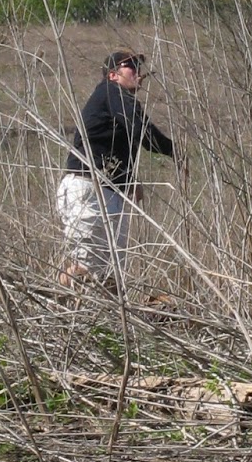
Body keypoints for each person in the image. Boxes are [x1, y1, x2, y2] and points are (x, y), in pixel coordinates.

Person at [56, 50, 175, 287]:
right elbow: (140, 129)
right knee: (84, 270)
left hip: (105, 192)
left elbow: (112, 145)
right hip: (89, 190)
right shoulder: (112, 91)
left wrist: (129, 180)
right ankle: (56, 302)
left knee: (110, 277)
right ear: (112, 75)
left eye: (138, 66)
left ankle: (91, 309)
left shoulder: (115, 102)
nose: (138, 71)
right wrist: (176, 152)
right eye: (130, 66)